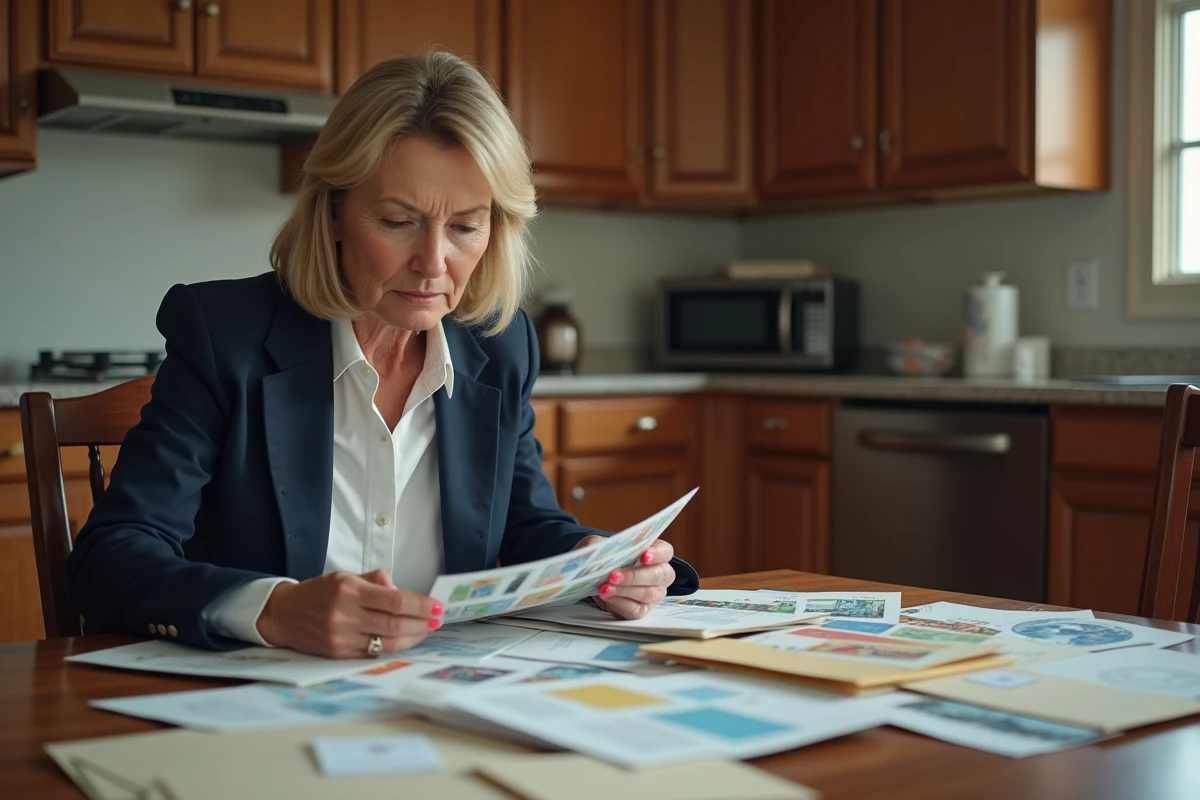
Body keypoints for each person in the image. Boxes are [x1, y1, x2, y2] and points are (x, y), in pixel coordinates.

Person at [66, 52, 698, 658]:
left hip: (442, 687)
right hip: (257, 696)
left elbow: (527, 525)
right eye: (398, 221)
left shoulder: (500, 347)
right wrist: (276, 610)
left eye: (465, 226)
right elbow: (111, 557)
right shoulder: (225, 336)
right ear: (333, 213)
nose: (433, 263)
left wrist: (598, 563)